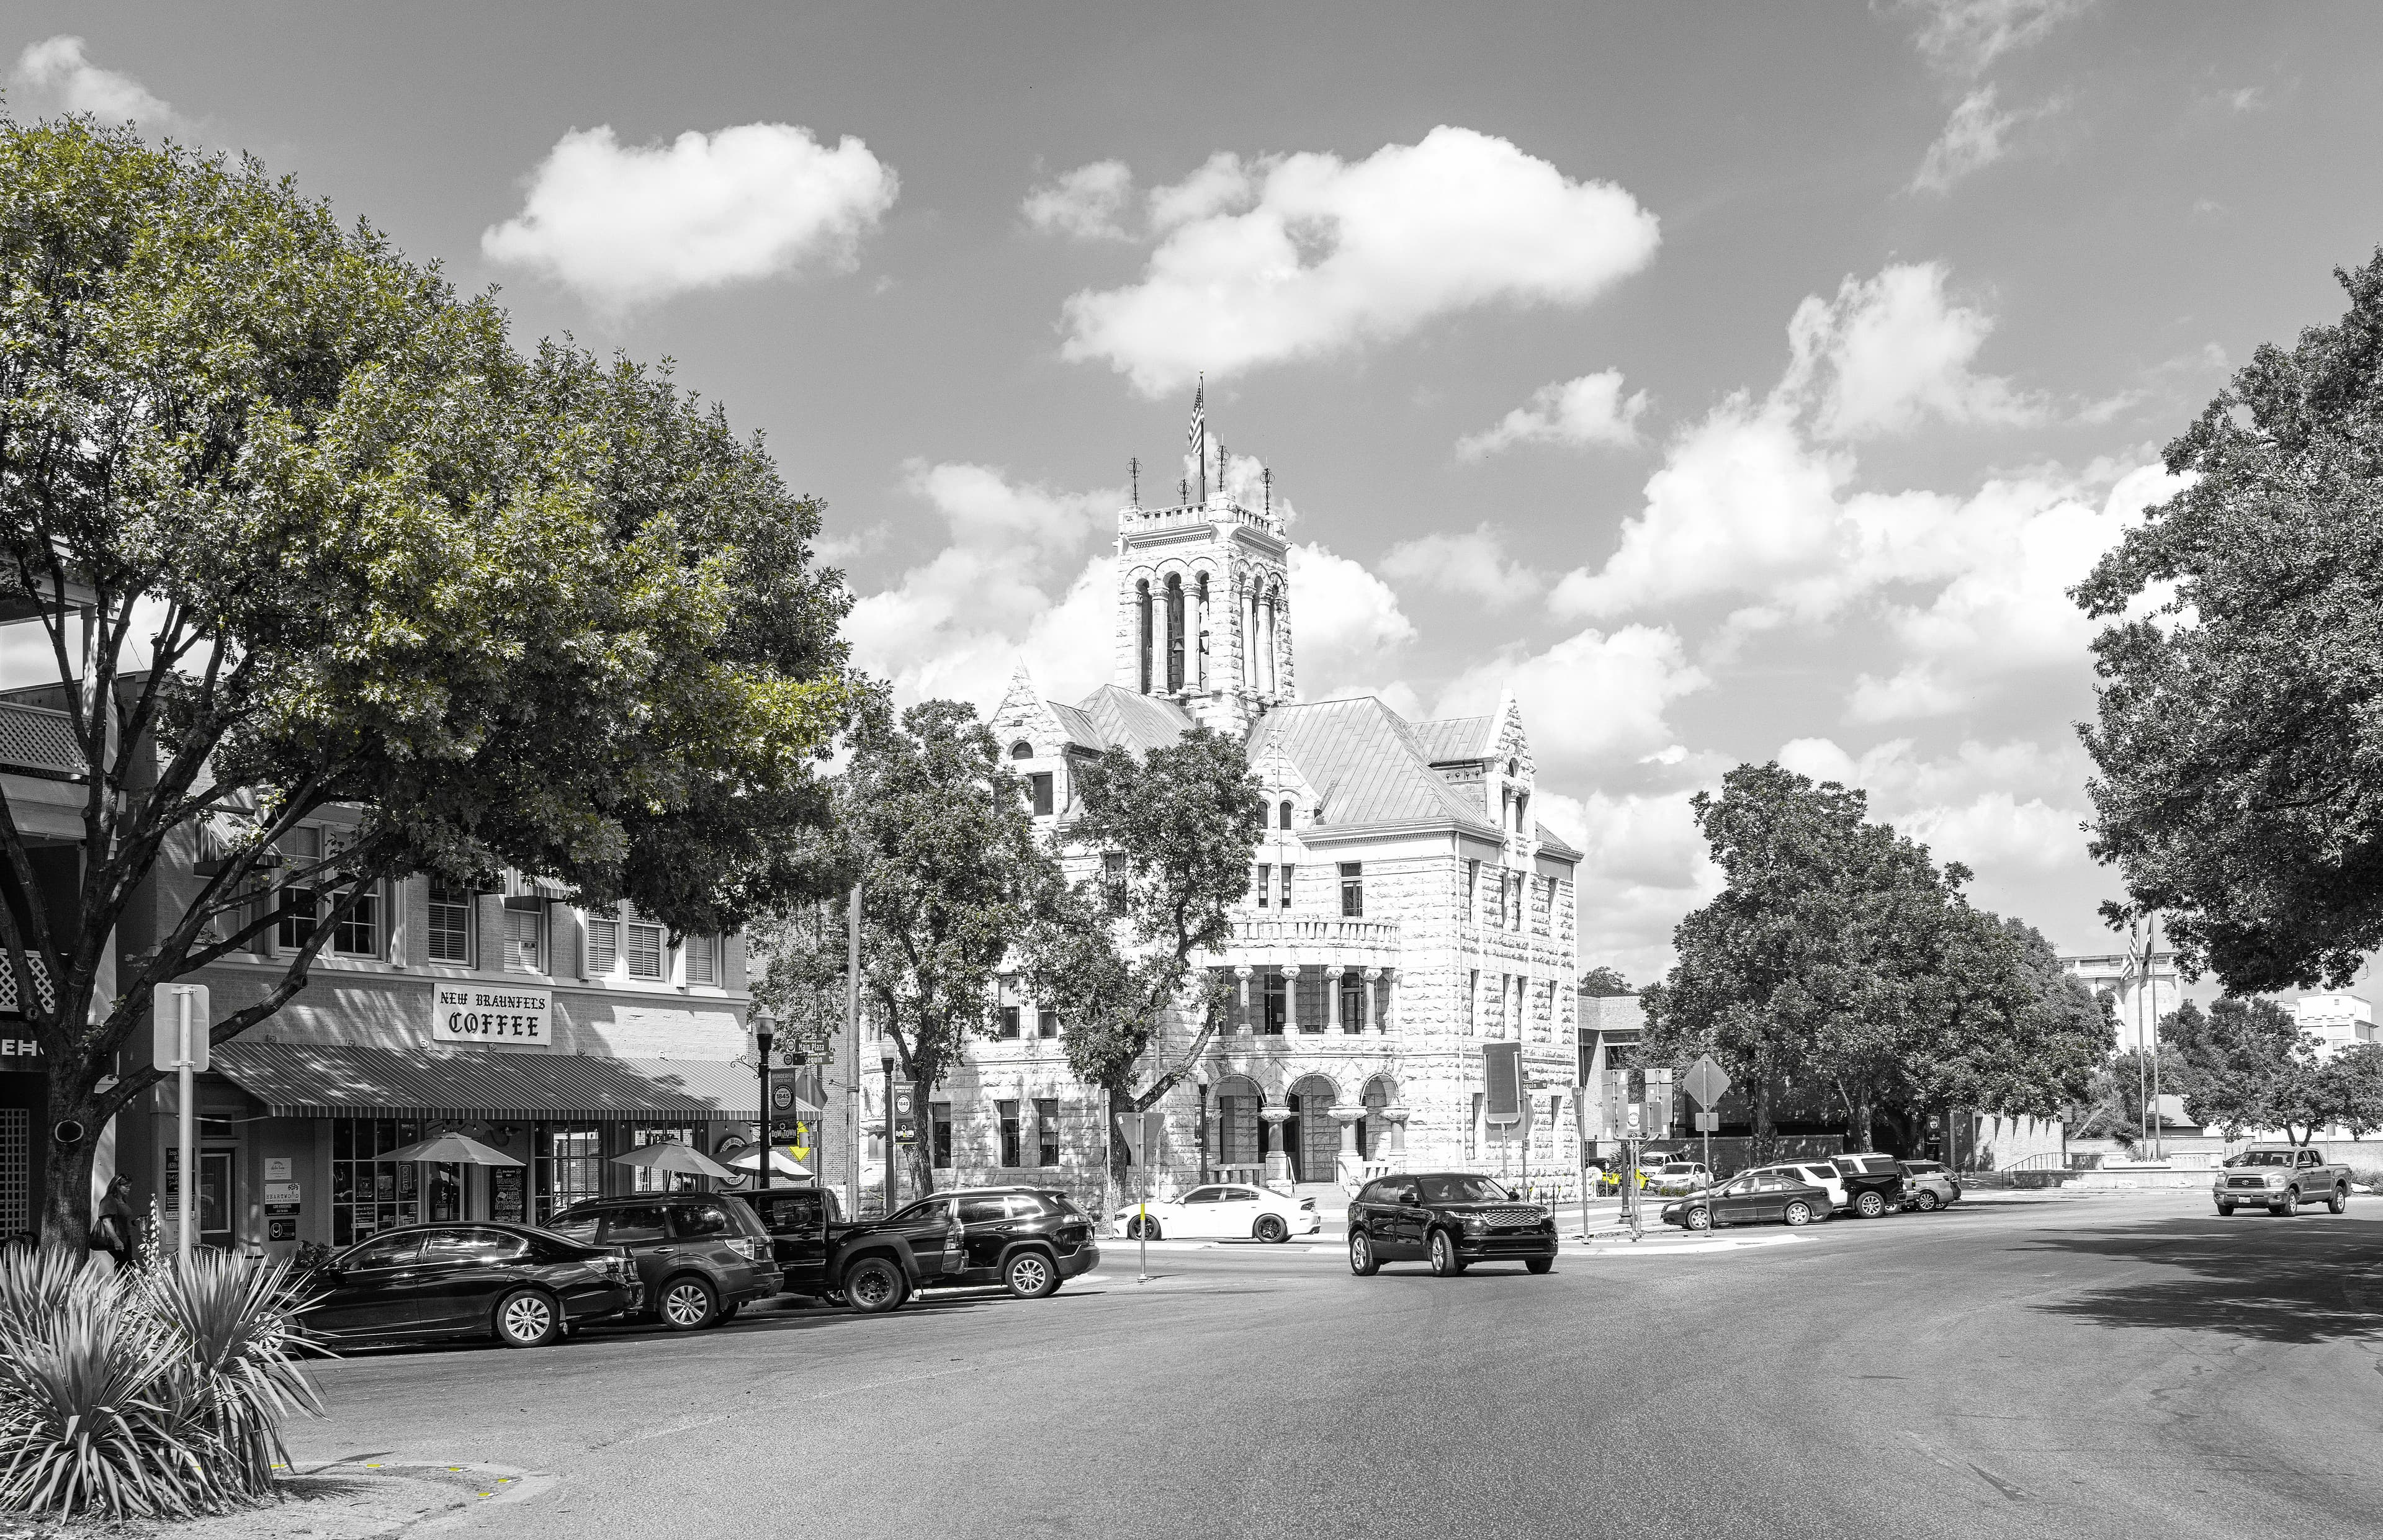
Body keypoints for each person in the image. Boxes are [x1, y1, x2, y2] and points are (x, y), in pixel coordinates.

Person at [92, 1174, 136, 1271]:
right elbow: (107, 1222)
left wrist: (135, 1222)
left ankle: (122, 1286)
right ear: (117, 1186)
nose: (128, 1189)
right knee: (128, 1266)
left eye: (130, 1187)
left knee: (124, 1268)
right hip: (116, 1239)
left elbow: (122, 1221)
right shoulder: (109, 1200)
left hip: (126, 1238)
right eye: (126, 1186)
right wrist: (116, 1240)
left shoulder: (122, 1200)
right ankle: (123, 1286)